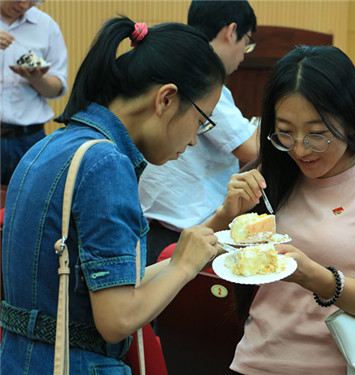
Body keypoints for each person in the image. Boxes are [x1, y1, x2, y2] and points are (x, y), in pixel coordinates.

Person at [1, 16, 226, 374]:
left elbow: (115, 290)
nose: (195, 138)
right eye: (202, 120)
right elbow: (117, 318)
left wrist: (192, 254)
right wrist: (183, 266)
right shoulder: (106, 163)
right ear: (166, 99)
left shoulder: (50, 146)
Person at [202, 45, 355, 374]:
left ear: (350, 121)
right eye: (285, 133)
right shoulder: (271, 177)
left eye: (316, 134)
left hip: (345, 366)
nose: (299, 148)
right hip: (255, 363)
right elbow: (192, 257)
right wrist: (226, 214)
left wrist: (313, 276)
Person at [138, 0, 259, 266]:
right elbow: (251, 149)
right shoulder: (202, 78)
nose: (244, 54)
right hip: (183, 229)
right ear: (231, 31)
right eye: (247, 42)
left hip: (156, 222)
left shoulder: (174, 63)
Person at [0, 0, 67, 186]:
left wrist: (37, 78)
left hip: (29, 139)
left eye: (33, 1)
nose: (24, 5)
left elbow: (57, 87)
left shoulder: (46, 26)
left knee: (29, 204)